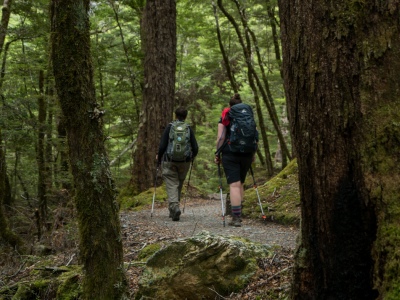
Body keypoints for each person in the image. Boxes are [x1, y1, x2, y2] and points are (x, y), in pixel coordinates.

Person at [214, 94, 256, 227]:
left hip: (230, 153)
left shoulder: (226, 116)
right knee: (241, 183)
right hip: (247, 153)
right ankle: (239, 213)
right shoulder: (248, 116)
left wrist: (217, 153)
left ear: (230, 105)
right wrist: (253, 153)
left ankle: (236, 217)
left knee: (234, 185)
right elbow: (255, 135)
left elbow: (221, 137)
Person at [157, 107, 198, 221]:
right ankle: (174, 208)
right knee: (179, 183)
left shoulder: (170, 127)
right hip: (184, 161)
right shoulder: (188, 128)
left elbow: (162, 145)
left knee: (171, 183)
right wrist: (192, 156)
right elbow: (195, 147)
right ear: (185, 116)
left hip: (169, 160)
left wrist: (159, 157)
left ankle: (174, 207)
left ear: (175, 115)